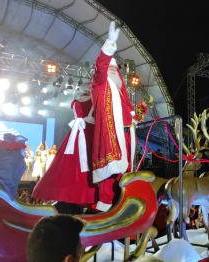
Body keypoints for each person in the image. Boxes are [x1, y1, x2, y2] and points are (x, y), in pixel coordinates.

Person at [90, 21, 135, 211]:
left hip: (125, 134)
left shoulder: (120, 94)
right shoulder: (100, 85)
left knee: (123, 173)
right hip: (110, 135)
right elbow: (100, 66)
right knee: (109, 173)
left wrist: (138, 114)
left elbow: (129, 114)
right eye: (111, 68)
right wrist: (109, 43)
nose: (114, 72)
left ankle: (120, 208)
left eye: (116, 69)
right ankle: (104, 210)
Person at [32, 83, 98, 207]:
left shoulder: (74, 102)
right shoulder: (94, 101)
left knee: (70, 161)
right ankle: (88, 193)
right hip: (89, 131)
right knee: (89, 158)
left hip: (76, 133)